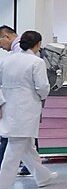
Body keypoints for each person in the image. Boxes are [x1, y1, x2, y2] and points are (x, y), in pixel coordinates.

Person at [0, 31, 57, 189]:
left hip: (9, 107)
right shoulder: (36, 62)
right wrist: (40, 97)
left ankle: (42, 176)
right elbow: (43, 87)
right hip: (27, 108)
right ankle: (2, 187)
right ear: (38, 44)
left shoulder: (7, 60)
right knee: (16, 147)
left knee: (27, 146)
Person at [0, 25, 28, 176]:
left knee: (8, 137)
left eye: (0, 43)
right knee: (27, 139)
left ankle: (3, 173)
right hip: (24, 104)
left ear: (7, 37)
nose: (1, 48)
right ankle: (32, 170)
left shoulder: (17, 54)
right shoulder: (23, 53)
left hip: (17, 103)